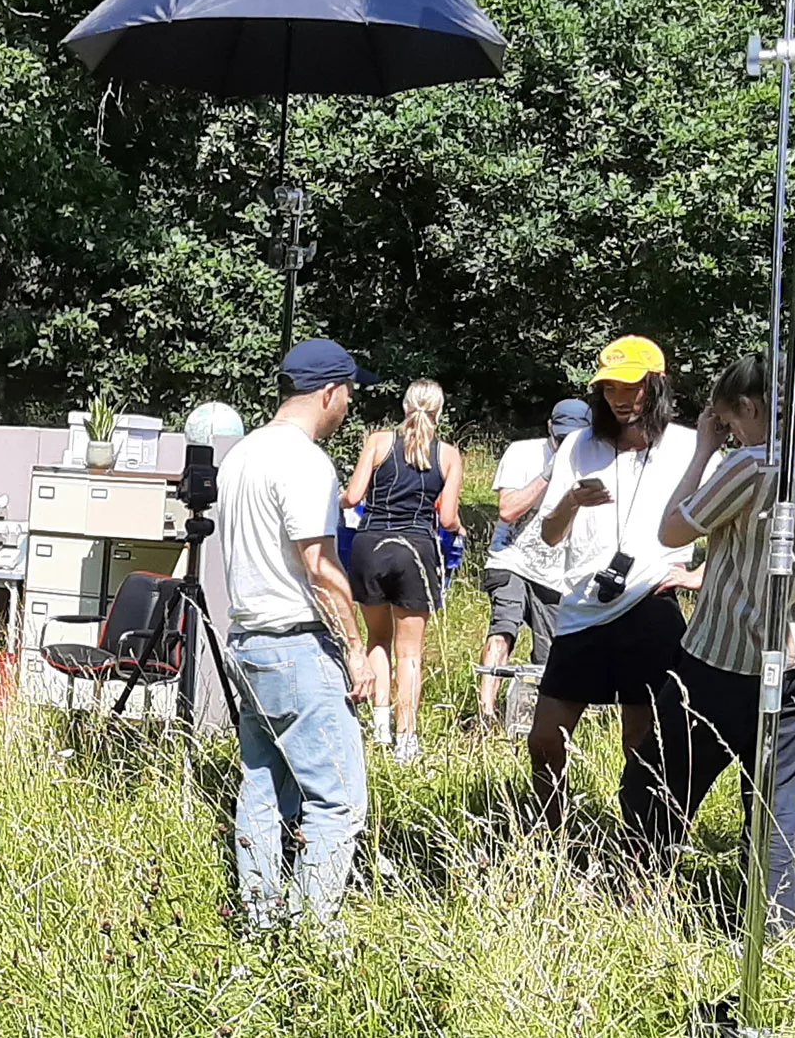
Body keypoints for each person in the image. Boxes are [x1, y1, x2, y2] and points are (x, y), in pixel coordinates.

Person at [620, 353, 795, 931]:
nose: (728, 430)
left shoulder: (753, 465)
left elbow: (672, 529)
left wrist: (705, 451)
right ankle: (773, 921)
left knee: (662, 776)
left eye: (731, 421)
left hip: (727, 654)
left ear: (753, 407)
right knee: (776, 791)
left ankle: (638, 894)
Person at [217, 338, 376, 931]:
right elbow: (319, 565)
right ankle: (312, 938)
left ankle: (258, 921)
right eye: (350, 394)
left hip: (249, 644)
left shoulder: (242, 455)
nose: (349, 406)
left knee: (263, 788)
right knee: (337, 799)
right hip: (296, 645)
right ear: (330, 392)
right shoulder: (305, 461)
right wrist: (356, 650)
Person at [527, 335, 711, 829]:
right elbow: (548, 534)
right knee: (545, 737)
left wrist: (698, 575)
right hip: (583, 609)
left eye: (630, 387)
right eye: (608, 388)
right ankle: (550, 837)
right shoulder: (578, 445)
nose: (619, 398)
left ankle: (638, 841)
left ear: (657, 385)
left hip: (651, 604)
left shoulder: (692, 446)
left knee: (642, 741)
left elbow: (740, 524)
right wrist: (570, 502)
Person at [341, 379, 464, 763]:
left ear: (405, 407)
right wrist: (460, 528)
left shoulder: (378, 442)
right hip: (416, 550)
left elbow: (354, 497)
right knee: (410, 651)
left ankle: (378, 727)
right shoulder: (447, 454)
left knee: (378, 638)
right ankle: (407, 739)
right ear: (439, 412)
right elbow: (446, 518)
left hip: (371, 545)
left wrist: (338, 498)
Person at [477, 397, 592, 727]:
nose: (565, 444)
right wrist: (549, 473)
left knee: (549, 652)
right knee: (504, 627)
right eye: (561, 437)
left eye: (574, 438)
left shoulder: (594, 461)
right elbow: (507, 509)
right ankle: (486, 713)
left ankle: (536, 721)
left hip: (555, 573)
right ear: (549, 430)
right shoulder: (522, 452)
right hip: (510, 558)